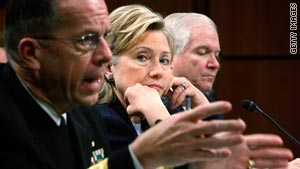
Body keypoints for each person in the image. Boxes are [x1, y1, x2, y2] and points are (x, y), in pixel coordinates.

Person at [0, 0, 247, 169]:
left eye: (164, 60)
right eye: (87, 40)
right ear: (32, 54)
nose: (106, 55)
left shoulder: (81, 110)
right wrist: (139, 156)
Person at [165, 12, 295, 169]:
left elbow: (227, 159)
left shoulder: (205, 97)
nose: (215, 64)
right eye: (202, 52)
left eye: (217, 54)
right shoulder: (154, 104)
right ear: (169, 55)